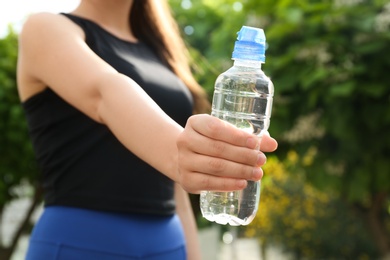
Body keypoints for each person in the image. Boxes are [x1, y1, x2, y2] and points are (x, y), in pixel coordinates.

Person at [17, 0, 278, 259]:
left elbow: (172, 181)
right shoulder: (45, 28)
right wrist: (180, 154)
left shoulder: (160, 51)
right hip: (82, 241)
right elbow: (104, 93)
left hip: (168, 242)